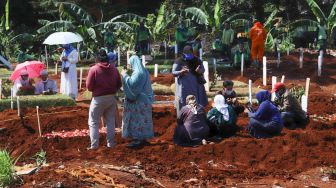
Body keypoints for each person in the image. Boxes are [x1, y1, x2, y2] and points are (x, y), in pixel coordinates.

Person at [86, 49, 122, 149]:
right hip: (111, 98)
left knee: (93, 122)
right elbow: (119, 84)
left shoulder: (94, 69)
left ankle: (94, 146)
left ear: (97, 58)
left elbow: (89, 86)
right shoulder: (114, 69)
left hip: (98, 98)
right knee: (110, 121)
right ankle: (111, 144)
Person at [121, 55, 154, 148]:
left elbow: (132, 85)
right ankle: (142, 139)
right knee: (143, 120)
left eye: (130, 63)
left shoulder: (138, 73)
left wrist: (124, 75)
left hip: (139, 101)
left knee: (137, 120)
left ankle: (137, 140)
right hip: (145, 100)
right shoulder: (144, 71)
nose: (129, 66)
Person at [172, 45, 208, 109]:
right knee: (184, 103)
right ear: (183, 53)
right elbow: (173, 72)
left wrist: (199, 71)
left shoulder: (197, 60)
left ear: (192, 53)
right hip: (184, 87)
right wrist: (181, 71)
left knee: (197, 102)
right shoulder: (179, 61)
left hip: (197, 86)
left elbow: (203, 70)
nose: (188, 55)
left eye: (190, 53)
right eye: (187, 54)